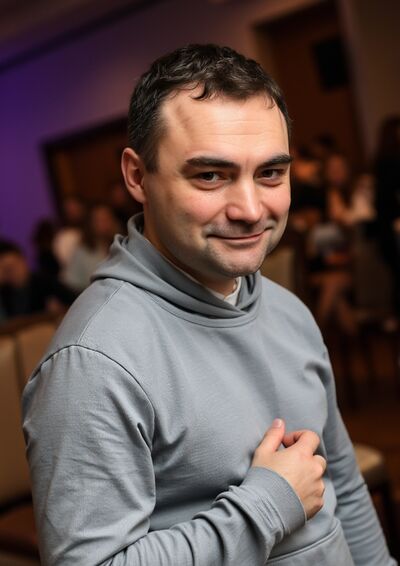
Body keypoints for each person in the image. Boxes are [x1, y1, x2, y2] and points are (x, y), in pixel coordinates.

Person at [22, 44, 396, 566]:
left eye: (270, 173)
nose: (250, 209)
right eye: (210, 176)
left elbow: (343, 490)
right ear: (137, 176)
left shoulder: (288, 309)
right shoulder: (92, 363)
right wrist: (267, 505)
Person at [0, 240, 75, 322]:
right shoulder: (5, 291)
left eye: (13, 265)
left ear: (23, 260)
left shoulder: (45, 283)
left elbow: (73, 301)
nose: (12, 271)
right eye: (5, 269)